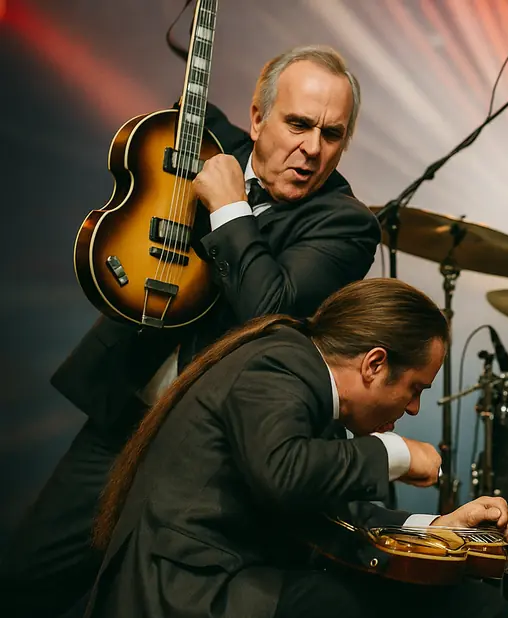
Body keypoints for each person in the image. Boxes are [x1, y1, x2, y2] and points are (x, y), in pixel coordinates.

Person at [0, 45, 387, 617]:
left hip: (209, 458)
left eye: (332, 134)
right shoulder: (206, 148)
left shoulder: (345, 224)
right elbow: (185, 106)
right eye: (298, 123)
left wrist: (231, 209)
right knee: (24, 582)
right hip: (123, 419)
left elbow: (269, 310)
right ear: (258, 118)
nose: (311, 149)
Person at [85, 278, 508, 618]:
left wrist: (436, 527)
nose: (415, 406)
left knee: (470, 603)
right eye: (414, 388)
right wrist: (395, 452)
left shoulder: (308, 380)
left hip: (233, 575)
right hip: (190, 591)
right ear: (375, 364)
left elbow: (328, 508)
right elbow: (285, 472)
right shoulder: (278, 366)